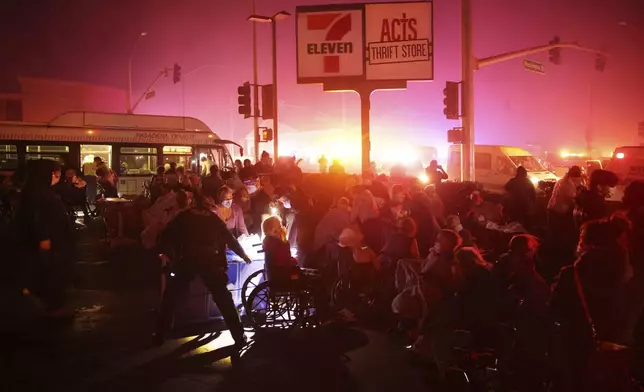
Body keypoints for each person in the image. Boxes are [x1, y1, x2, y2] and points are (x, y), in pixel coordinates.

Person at [154, 194, 252, 348]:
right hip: (209, 260)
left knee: (171, 295)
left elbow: (166, 234)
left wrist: (170, 255)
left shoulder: (184, 216)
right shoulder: (213, 218)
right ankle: (239, 337)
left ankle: (160, 334)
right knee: (223, 299)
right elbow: (229, 238)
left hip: (187, 258)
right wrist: (243, 255)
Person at [16, 160, 74, 318]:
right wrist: (45, 241)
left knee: (40, 273)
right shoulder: (41, 194)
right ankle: (51, 308)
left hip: (46, 243)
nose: (58, 176)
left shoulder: (34, 191)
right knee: (48, 274)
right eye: (56, 173)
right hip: (48, 243)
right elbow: (39, 219)